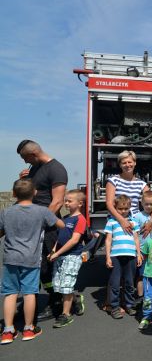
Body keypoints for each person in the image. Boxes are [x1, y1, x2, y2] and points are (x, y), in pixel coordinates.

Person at [0, 179, 65, 344]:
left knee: (10, 293)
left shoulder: (6, 212)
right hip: (31, 258)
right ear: (35, 193)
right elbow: (61, 224)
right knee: (29, 293)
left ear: (14, 194)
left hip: (10, 258)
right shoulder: (42, 211)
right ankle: (29, 329)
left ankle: (8, 331)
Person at [17, 139, 68, 320]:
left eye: (25, 158)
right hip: (32, 222)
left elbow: (57, 202)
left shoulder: (56, 169)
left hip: (48, 226)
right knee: (36, 265)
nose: (25, 162)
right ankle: (38, 299)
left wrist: (37, 223)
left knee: (48, 265)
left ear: (33, 154)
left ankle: (56, 303)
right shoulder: (34, 169)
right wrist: (24, 180)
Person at [48, 189, 87, 328]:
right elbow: (60, 238)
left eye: (69, 201)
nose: (66, 203)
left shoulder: (80, 219)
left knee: (66, 285)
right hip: (60, 256)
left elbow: (74, 240)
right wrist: (54, 250)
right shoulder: (65, 219)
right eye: (65, 200)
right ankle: (75, 299)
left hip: (72, 256)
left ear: (80, 203)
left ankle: (66, 314)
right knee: (59, 284)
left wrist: (58, 253)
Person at [104, 195, 143, 319]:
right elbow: (108, 240)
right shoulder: (111, 222)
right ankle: (114, 307)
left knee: (129, 283)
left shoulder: (133, 222)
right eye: (120, 208)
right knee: (115, 283)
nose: (123, 211)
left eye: (126, 208)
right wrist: (108, 257)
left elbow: (136, 238)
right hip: (115, 256)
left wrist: (138, 253)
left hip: (131, 256)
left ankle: (129, 305)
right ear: (115, 208)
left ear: (130, 208)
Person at [105, 150, 152, 236]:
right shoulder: (113, 181)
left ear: (135, 163)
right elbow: (109, 204)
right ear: (120, 165)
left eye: (130, 162)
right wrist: (122, 221)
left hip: (135, 220)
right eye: (124, 163)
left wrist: (151, 222)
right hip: (117, 219)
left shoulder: (141, 184)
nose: (127, 165)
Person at [133, 191, 152, 299]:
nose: (148, 206)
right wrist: (137, 251)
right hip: (142, 250)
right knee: (141, 274)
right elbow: (135, 234)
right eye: (146, 204)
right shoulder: (137, 216)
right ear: (141, 203)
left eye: (151, 204)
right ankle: (140, 296)